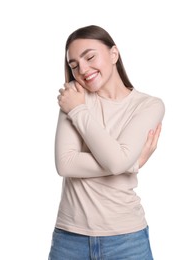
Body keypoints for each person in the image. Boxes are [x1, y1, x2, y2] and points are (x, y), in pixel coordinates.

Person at [48, 25, 165, 260]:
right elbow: (65, 163)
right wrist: (130, 163)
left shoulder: (149, 105)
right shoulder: (73, 95)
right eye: (74, 65)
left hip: (127, 239)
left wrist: (79, 111)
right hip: (70, 239)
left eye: (90, 57)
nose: (82, 69)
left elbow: (116, 161)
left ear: (114, 54)